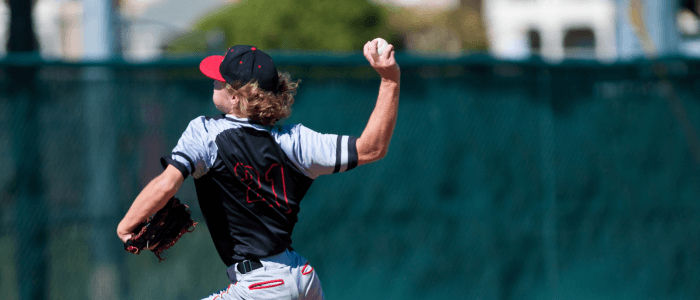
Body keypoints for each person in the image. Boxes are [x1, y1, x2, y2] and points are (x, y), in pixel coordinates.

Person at [116, 40, 400, 299]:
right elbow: (371, 149)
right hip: (302, 278)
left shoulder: (206, 132)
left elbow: (167, 184)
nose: (213, 80)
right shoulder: (295, 141)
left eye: (220, 78)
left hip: (262, 287)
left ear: (236, 98)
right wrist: (390, 80)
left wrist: (127, 226)